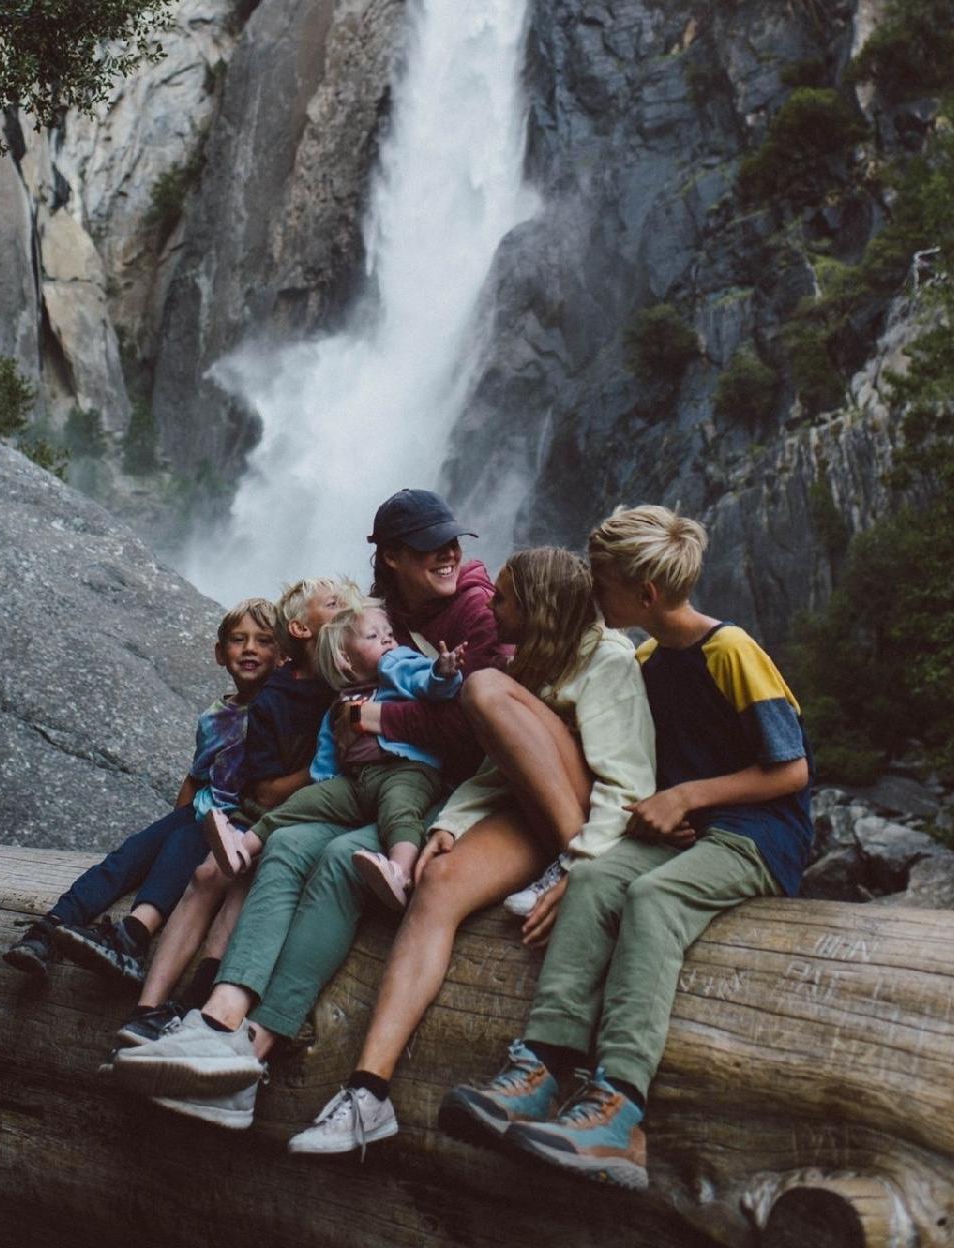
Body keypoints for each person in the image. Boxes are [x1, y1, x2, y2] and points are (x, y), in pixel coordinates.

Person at [441, 504, 813, 1193]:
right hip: (683, 828)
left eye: (601, 583)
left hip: (757, 835)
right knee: (593, 879)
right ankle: (542, 1067)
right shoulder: (643, 659)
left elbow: (791, 769)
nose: (590, 593)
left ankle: (620, 1109)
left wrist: (688, 797)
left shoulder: (729, 650)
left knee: (652, 898)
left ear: (643, 593)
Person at [111, 488, 503, 1127]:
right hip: (364, 785)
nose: (450, 554)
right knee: (289, 846)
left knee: (342, 862)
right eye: (432, 545)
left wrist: (371, 716)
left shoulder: (473, 608)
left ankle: (253, 1054)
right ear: (394, 558)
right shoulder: (382, 615)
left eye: (452, 541)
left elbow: (472, 721)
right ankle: (219, 1020)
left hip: (437, 790)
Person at [282, 542, 658, 1155]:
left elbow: (628, 784)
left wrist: (586, 868)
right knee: (436, 886)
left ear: (534, 607)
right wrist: (447, 826)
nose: (490, 605)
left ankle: (564, 869)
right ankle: (368, 1091)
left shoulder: (607, 660)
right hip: (530, 816)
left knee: (481, 689)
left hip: (587, 824)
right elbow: (495, 769)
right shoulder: (532, 660)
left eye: (504, 598)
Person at [111, 572, 360, 1045]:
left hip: (318, 819)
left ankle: (195, 1006)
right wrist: (319, 768)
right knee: (212, 876)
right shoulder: (274, 698)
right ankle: (147, 1009)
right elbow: (263, 793)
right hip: (269, 808)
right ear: (303, 630)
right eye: (335, 605)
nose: (350, 612)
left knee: (246, 882)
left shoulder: (348, 675)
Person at [2, 599, 278, 986]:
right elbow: (196, 776)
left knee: (181, 844)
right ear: (220, 653)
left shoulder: (280, 710)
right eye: (238, 639)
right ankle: (48, 930)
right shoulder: (216, 714)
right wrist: (168, 828)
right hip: (198, 813)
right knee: (128, 856)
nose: (250, 648)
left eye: (264, 640)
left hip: (235, 825)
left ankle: (133, 939)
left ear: (283, 655)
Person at [207, 600, 466, 910]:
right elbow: (328, 751)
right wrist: (324, 783)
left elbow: (430, 685)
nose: (386, 639)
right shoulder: (342, 699)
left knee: (399, 809)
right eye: (372, 636)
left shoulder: (401, 668)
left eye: (388, 634)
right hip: (357, 779)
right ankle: (243, 847)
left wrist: (443, 672)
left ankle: (400, 872)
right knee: (302, 802)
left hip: (407, 770)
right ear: (346, 657)